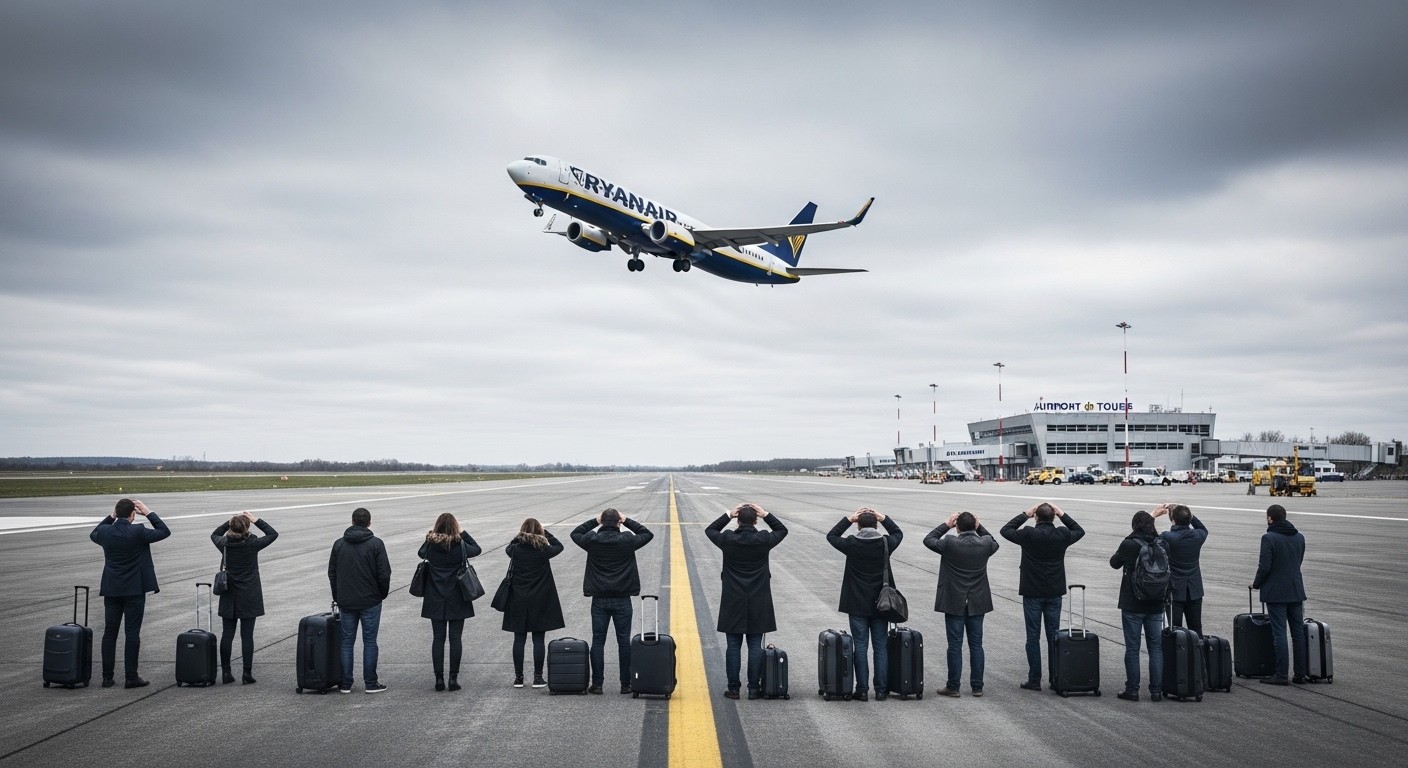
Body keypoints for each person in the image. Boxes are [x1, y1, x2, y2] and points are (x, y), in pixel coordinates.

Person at [705, 503, 788, 699]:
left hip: (733, 599)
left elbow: (710, 530)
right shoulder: (763, 539)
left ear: (737, 520)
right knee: (754, 646)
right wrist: (767, 514)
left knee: (733, 646)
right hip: (759, 599)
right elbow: (782, 530)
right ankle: (753, 687)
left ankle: (733, 688)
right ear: (756, 520)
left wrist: (727, 514)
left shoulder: (728, 539)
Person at [1000, 502, 1084, 691]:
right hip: (1054, 591)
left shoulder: (1028, 533)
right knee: (1053, 636)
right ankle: (1055, 678)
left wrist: (1025, 514)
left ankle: (1034, 679)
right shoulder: (1062, 534)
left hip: (1032, 592)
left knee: (1033, 636)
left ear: (1036, 517)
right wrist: (1062, 513)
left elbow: (1006, 530)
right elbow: (1079, 530)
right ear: (1053, 517)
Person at [571, 508, 654, 695]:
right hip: (622, 598)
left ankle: (598, 684)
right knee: (624, 642)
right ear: (618, 522)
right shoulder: (627, 541)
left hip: (599, 599)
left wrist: (594, 521)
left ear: (602, 521)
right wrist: (627, 521)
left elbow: (575, 533)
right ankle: (626, 684)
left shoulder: (592, 540)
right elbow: (647, 534)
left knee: (598, 642)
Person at [89, 498, 170, 688]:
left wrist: (111, 516)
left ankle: (107, 677)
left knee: (110, 633)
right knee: (132, 633)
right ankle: (131, 676)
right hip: (134, 589)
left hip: (111, 589)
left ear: (117, 513)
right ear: (133, 515)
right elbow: (164, 531)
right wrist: (148, 512)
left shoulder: (105, 531)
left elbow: (93, 533)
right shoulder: (138, 531)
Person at [826, 507, 903, 701]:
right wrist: (884, 517)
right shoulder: (885, 543)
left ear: (858, 526)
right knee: (880, 647)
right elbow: (898, 533)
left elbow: (832, 535)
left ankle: (861, 689)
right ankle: (881, 690)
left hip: (857, 603)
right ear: (876, 524)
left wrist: (848, 519)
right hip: (881, 604)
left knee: (860, 646)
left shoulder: (852, 543)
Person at [923, 511, 999, 697]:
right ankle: (977, 686)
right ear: (974, 526)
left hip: (954, 600)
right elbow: (994, 541)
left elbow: (929, 539)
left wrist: (946, 524)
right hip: (977, 600)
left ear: (957, 527)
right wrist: (979, 526)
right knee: (976, 645)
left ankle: (953, 686)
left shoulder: (950, 542)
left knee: (954, 645)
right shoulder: (986, 543)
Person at [210, 510, 278, 684]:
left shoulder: (224, 543)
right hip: (249, 594)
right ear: (247, 528)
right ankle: (247, 673)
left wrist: (229, 521)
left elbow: (215, 534)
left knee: (227, 634)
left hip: (229, 593)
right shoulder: (252, 544)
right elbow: (272, 534)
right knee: (247, 635)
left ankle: (226, 672)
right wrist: (255, 520)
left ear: (231, 528)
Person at [329, 507, 392, 694]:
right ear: (369, 523)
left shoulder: (339, 544)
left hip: (346, 600)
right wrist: (382, 593)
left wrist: (337, 596)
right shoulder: (376, 544)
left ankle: (346, 683)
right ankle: (371, 683)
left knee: (347, 642)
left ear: (353, 521)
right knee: (370, 641)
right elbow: (384, 574)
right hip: (371, 600)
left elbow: (332, 573)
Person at [417, 513, 482, 692]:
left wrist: (431, 534)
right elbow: (477, 549)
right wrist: (462, 533)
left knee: (438, 639)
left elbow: (421, 553)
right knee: (455, 639)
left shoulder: (431, 545)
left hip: (435, 596)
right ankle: (453, 679)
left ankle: (439, 678)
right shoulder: (460, 545)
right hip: (457, 596)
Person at [1109, 511, 1167, 701]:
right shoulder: (1162, 543)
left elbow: (1114, 563)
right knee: (1156, 648)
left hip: (1132, 602)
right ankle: (1157, 690)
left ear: (1134, 526)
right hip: (1156, 603)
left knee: (1132, 648)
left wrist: (1130, 537)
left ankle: (1132, 689)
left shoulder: (1129, 544)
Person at [501, 518, 566, 688]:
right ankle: (538, 677)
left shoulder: (514, 550)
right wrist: (546, 533)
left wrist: (520, 535)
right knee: (539, 638)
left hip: (518, 598)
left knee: (519, 638)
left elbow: (509, 546)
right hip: (540, 598)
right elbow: (559, 546)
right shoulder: (544, 550)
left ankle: (519, 678)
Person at [1251, 503, 1308, 685]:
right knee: (1298, 633)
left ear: (1270, 518)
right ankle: (1300, 674)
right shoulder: (1299, 537)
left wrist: (1257, 584)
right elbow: (1297, 562)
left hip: (1276, 592)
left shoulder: (1269, 538)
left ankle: (1282, 674)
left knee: (1280, 634)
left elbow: (1265, 567)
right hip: (1296, 590)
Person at [1156, 503, 1208, 634]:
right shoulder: (1198, 536)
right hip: (1195, 590)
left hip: (1175, 591)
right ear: (1189, 519)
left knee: (1175, 631)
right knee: (1196, 629)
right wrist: (1189, 515)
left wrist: (1153, 515)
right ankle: (1198, 654)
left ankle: (1176, 655)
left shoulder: (1169, 537)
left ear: (1173, 520)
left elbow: (1151, 538)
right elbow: (1202, 528)